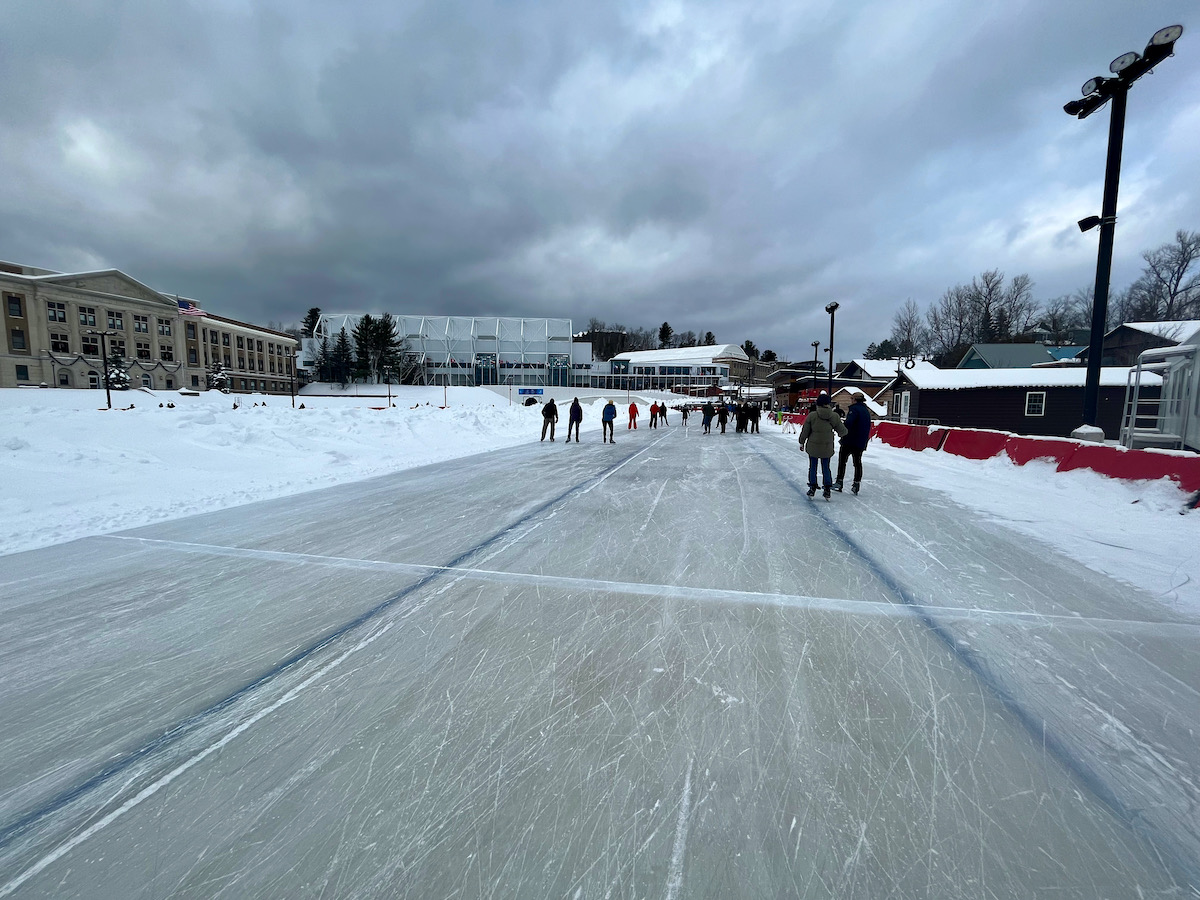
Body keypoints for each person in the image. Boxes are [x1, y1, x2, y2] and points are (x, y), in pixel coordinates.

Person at [799, 392, 847, 499]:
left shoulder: (812, 416)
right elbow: (842, 431)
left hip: (813, 447)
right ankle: (827, 488)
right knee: (826, 467)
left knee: (813, 467)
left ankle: (812, 487)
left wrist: (801, 442)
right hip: (827, 447)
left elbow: (805, 431)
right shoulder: (834, 416)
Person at [835, 391, 871, 494]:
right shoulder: (866, 410)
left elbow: (848, 424)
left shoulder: (854, 410)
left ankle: (839, 481)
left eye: (851, 399)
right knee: (857, 463)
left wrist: (842, 429)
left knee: (842, 461)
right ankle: (856, 483)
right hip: (861, 441)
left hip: (850, 440)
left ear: (854, 400)